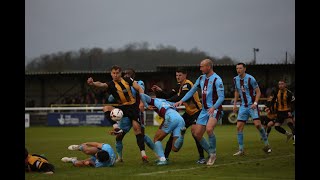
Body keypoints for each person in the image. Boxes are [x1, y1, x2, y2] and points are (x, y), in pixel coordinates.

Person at [87, 65, 148, 162]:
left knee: (137, 130)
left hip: (133, 108)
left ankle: (143, 155)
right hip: (122, 107)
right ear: (111, 74)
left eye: (117, 73)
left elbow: (140, 89)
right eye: (113, 73)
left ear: (121, 73)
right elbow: (101, 84)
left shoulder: (127, 80)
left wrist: (141, 103)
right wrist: (93, 83)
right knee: (106, 108)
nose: (115, 75)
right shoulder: (111, 84)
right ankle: (116, 127)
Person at [174, 58, 225, 166]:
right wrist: (181, 100)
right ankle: (211, 152)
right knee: (197, 134)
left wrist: (214, 107)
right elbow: (192, 91)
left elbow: (221, 97)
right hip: (204, 110)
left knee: (209, 129)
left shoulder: (217, 79)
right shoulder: (201, 78)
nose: (200, 68)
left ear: (208, 67)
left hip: (215, 109)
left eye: (202, 66)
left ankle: (212, 154)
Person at [151, 68, 206, 164]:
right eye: (176, 75)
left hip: (197, 112)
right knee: (173, 132)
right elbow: (169, 95)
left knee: (195, 134)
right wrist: (160, 91)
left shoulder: (187, 85)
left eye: (180, 75)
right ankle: (165, 157)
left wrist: (166, 101)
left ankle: (202, 157)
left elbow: (180, 97)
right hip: (188, 114)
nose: (178, 77)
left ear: (185, 75)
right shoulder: (179, 86)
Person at [106, 68, 154, 163]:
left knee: (142, 135)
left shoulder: (139, 83)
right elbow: (111, 98)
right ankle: (120, 157)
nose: (126, 75)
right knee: (119, 136)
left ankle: (157, 154)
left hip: (136, 111)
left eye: (129, 74)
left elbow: (141, 91)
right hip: (125, 113)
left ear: (133, 76)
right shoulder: (120, 85)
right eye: (125, 74)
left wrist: (141, 103)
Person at [232, 62, 271, 156]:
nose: (238, 70)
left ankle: (267, 145)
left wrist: (255, 103)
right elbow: (237, 91)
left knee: (257, 125)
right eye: (237, 68)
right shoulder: (235, 79)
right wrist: (234, 104)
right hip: (243, 106)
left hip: (252, 105)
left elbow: (258, 92)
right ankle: (241, 150)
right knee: (238, 127)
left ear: (245, 69)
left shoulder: (251, 79)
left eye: (240, 68)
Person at [140, 93, 186, 165]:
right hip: (180, 118)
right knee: (175, 148)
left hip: (170, 117)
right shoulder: (168, 102)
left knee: (156, 139)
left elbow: (141, 95)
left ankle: (162, 159)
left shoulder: (154, 101)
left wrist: (146, 106)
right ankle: (182, 135)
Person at [269, 80, 295, 145]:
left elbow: (293, 103)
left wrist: (290, 111)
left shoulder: (289, 93)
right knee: (276, 127)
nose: (280, 85)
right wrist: (272, 109)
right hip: (279, 112)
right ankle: (288, 134)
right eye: (279, 84)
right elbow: (272, 101)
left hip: (287, 111)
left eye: (282, 84)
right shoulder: (276, 92)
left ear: (285, 85)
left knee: (290, 124)